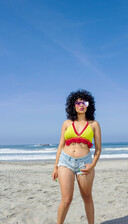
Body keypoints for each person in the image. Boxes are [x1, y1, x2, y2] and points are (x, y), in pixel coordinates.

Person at [52, 89, 101, 224]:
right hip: (65, 162)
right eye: (78, 102)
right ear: (73, 105)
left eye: (84, 102)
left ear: (88, 105)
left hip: (84, 163)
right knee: (66, 200)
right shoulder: (67, 123)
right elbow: (60, 146)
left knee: (87, 197)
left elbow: (98, 149)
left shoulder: (94, 125)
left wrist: (92, 165)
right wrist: (55, 167)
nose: (81, 105)